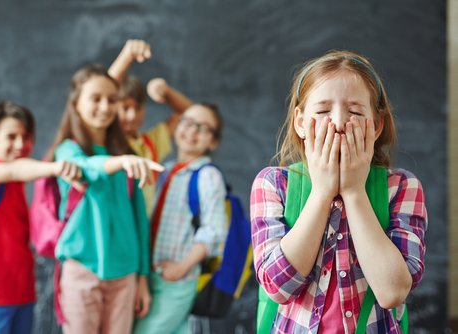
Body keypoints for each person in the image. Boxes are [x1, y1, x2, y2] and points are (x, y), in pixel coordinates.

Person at [250, 50, 428, 333]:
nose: (338, 122)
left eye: (355, 111)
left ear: (377, 124)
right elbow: (278, 286)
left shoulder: (402, 187)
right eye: (322, 111)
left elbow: (392, 291)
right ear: (300, 122)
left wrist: (354, 191)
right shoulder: (273, 183)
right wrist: (322, 192)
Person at [48, 64, 164, 334]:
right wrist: (121, 161)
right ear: (76, 104)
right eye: (95, 99)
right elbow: (86, 168)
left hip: (125, 274)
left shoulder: (125, 153)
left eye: (111, 99)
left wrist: (142, 278)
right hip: (81, 270)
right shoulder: (69, 150)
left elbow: (139, 220)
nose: (104, 106)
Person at [0, 100, 82, 334]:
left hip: (23, 292)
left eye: (26, 137)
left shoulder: (17, 181)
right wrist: (57, 168)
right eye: (11, 136)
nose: (20, 144)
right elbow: (15, 170)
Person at [133, 103, 228, 334]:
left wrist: (180, 268)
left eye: (203, 128)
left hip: (176, 279)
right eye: (187, 122)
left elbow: (214, 230)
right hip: (150, 275)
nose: (192, 131)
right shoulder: (164, 171)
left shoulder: (208, 175)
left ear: (213, 141)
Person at [108, 39, 193, 215]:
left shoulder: (150, 143)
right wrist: (126, 56)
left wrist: (167, 92)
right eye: (124, 108)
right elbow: (103, 90)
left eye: (138, 108)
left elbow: (192, 114)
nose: (132, 115)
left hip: (143, 232)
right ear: (111, 107)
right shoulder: (105, 140)